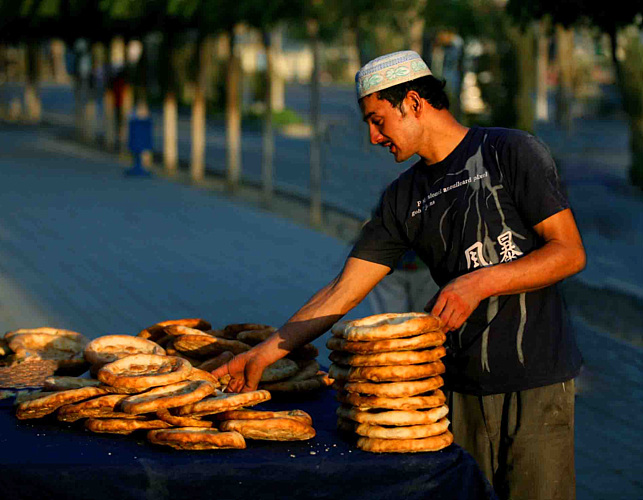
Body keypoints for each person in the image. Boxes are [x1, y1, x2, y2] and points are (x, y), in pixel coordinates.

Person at [213, 50, 585, 500]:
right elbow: (342, 290)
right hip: (454, 389)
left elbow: (568, 252)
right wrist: (264, 354)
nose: (373, 137)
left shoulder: (511, 151)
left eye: (378, 120)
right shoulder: (402, 197)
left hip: (537, 382)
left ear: (413, 102)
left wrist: (480, 281)